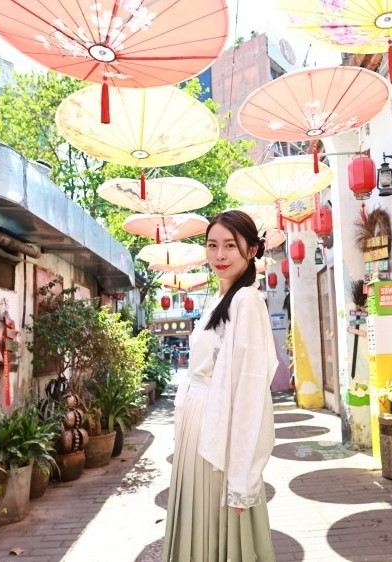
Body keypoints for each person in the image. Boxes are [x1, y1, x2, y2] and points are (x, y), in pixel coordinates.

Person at [162, 210, 277, 561]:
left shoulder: (247, 301)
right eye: (212, 246)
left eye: (230, 245)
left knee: (216, 535)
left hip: (218, 435)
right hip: (199, 428)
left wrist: (242, 478)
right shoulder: (220, 299)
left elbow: (251, 392)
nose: (220, 255)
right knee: (201, 528)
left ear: (252, 250)